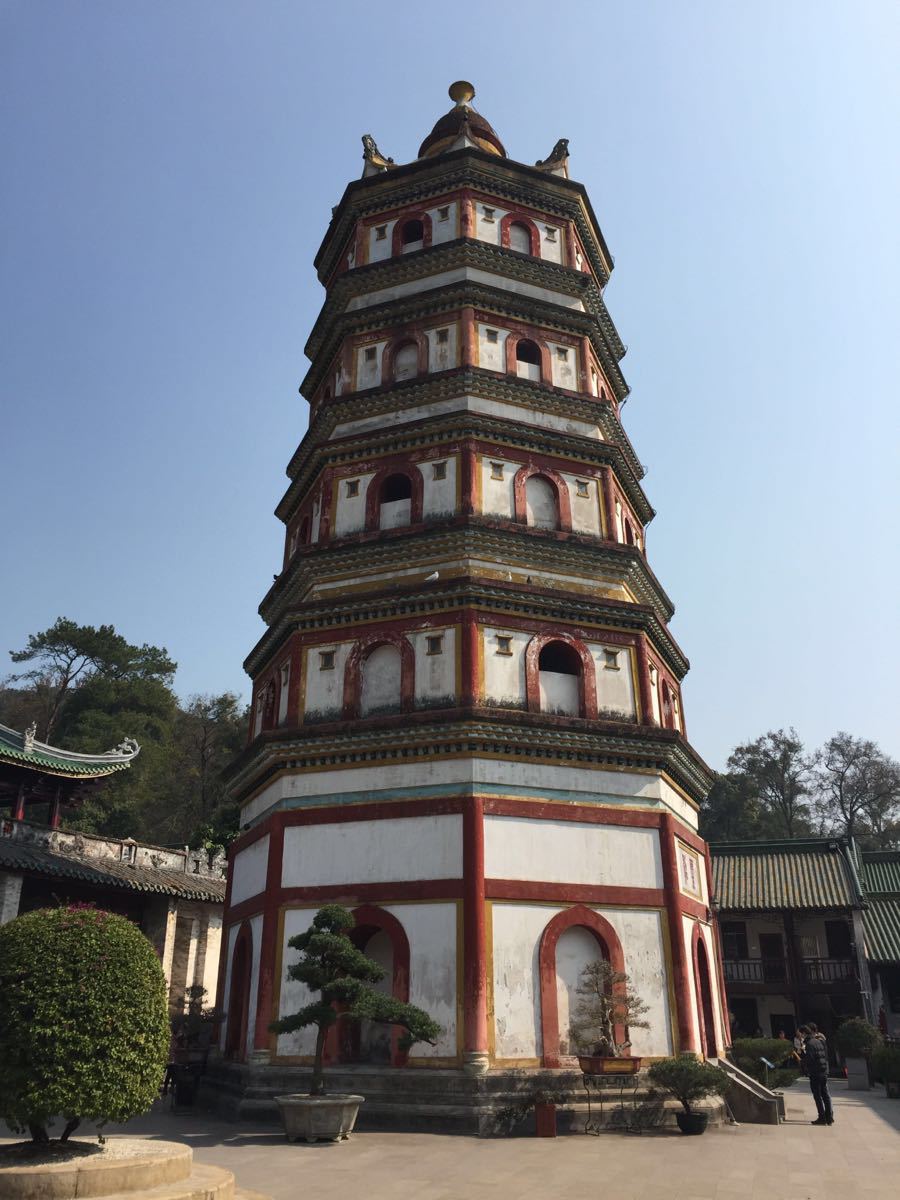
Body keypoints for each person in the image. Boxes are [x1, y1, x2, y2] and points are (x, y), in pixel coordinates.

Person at [802, 1022, 833, 1126]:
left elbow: (810, 1059)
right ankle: (829, 1117)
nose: (800, 1037)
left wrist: (804, 1064)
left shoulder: (809, 1044)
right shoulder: (819, 1041)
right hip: (823, 1071)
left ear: (805, 1033)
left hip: (815, 1072)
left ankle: (822, 1117)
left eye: (801, 1034)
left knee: (817, 1095)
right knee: (825, 1095)